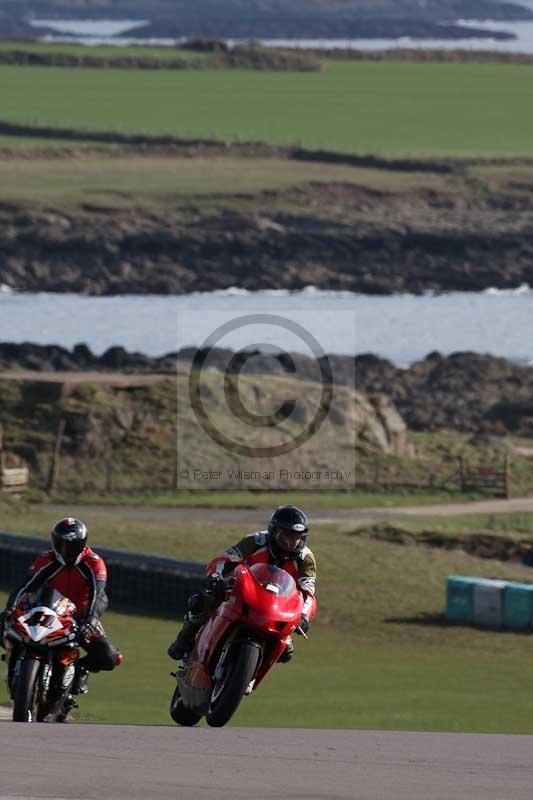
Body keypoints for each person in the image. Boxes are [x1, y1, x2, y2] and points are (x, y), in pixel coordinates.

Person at [167, 505, 317, 663]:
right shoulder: (256, 541)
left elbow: (309, 594)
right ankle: (184, 640)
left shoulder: (305, 558)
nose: (291, 542)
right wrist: (215, 576)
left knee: (286, 651)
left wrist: (304, 616)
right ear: (274, 531)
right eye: (287, 535)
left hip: (277, 606)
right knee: (202, 600)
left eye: (297, 537)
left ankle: (251, 675)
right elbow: (224, 560)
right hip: (242, 589)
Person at [0, 517, 120, 696]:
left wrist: (91, 618)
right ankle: (14, 656)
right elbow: (26, 586)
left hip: (80, 616)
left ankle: (79, 670)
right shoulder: (46, 559)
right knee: (3, 625)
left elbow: (98, 593)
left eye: (73, 546)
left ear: (83, 544)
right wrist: (9, 610)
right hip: (45, 611)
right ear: (54, 542)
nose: (67, 551)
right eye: (62, 544)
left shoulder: (94, 562)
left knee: (110, 657)